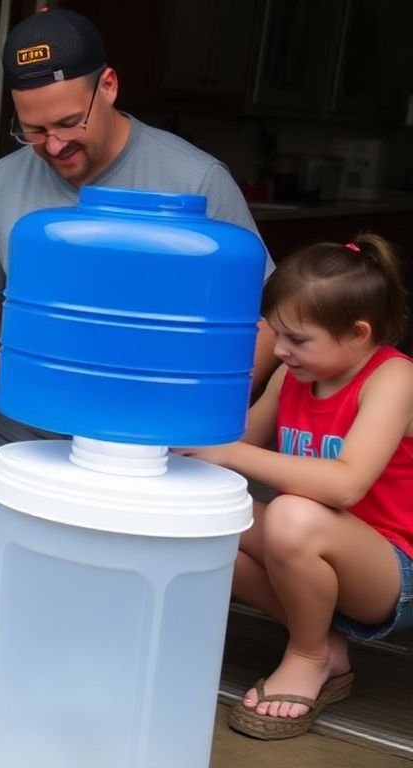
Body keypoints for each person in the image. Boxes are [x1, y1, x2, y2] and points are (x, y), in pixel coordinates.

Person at [0, 7, 279, 651]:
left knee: (203, 523)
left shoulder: (195, 179)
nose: (53, 146)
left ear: (108, 87)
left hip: (150, 417)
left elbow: (267, 320)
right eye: (33, 130)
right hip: (33, 399)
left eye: (69, 123)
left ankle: (308, 634)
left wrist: (199, 410)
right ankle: (34, 572)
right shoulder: (5, 181)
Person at [179, 234, 413, 739]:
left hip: (391, 569)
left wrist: (230, 453)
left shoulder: (392, 379)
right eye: (276, 333)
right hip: (313, 547)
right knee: (206, 516)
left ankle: (307, 654)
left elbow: (347, 484)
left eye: (298, 339)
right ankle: (325, 643)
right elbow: (232, 439)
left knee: (291, 513)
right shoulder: (294, 376)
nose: (280, 350)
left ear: (357, 334)